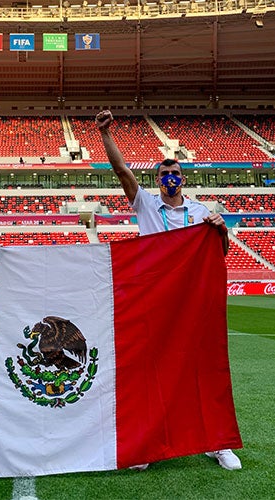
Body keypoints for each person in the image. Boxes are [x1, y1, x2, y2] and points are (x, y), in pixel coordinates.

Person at [95, 109, 240, 471]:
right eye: (164, 174)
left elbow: (217, 255)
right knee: (147, 372)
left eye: (175, 173)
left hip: (191, 305)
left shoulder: (201, 210)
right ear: (157, 180)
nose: (170, 178)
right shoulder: (145, 203)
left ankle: (216, 442)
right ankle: (144, 446)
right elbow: (122, 173)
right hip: (152, 301)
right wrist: (106, 135)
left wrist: (221, 231)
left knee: (204, 368)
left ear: (182, 178)